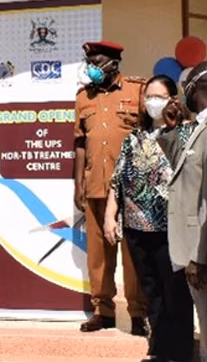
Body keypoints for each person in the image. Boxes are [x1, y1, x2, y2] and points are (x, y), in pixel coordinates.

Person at [103, 75, 194, 362]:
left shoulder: (184, 134)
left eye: (159, 96)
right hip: (137, 226)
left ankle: (180, 351)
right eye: (148, 96)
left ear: (173, 100)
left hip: (170, 227)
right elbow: (117, 179)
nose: (152, 102)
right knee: (151, 290)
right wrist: (110, 216)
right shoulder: (134, 137)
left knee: (175, 292)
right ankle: (158, 347)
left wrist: (173, 124)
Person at [73, 41, 148, 334]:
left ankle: (139, 313)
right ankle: (102, 311)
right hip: (95, 185)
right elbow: (80, 143)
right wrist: (78, 183)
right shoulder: (83, 97)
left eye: (97, 60)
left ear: (113, 63)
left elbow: (150, 134)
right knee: (98, 254)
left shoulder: (136, 90)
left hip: (131, 190)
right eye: (88, 60)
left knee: (133, 254)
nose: (91, 66)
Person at [160, 62, 207, 362]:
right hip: (193, 247)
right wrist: (171, 130)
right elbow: (183, 168)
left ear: (194, 89)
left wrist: (200, 257)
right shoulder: (202, 123)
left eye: (183, 87)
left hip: (202, 250)